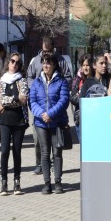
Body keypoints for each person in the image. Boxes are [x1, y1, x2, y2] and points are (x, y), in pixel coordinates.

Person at [26, 36, 72, 175]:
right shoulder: (35, 60)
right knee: (37, 140)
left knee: (55, 144)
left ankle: (54, 166)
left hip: (55, 109)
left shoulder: (61, 61)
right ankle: (39, 163)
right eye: (44, 51)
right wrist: (34, 86)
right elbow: (29, 76)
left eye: (49, 51)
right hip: (39, 109)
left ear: (53, 48)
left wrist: (58, 85)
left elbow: (68, 78)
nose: (46, 55)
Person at [29, 52, 70, 195]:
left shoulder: (61, 81)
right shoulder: (36, 82)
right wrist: (42, 114)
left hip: (56, 122)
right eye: (44, 63)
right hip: (41, 123)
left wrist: (51, 114)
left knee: (57, 153)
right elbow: (32, 101)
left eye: (48, 63)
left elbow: (64, 100)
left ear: (54, 65)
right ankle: (47, 183)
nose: (45, 65)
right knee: (45, 154)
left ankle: (58, 182)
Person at [0, 53, 29, 196]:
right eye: (12, 61)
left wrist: (6, 103)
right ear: (8, 62)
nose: (14, 64)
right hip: (4, 120)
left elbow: (23, 99)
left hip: (19, 120)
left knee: (17, 151)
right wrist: (14, 100)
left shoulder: (22, 80)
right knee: (4, 151)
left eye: (17, 62)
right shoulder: (0, 81)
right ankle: (4, 182)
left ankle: (17, 182)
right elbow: (0, 98)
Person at [69, 54, 93, 127]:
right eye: (83, 65)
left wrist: (80, 95)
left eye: (87, 65)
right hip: (80, 117)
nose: (85, 68)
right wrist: (85, 98)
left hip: (93, 116)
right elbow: (72, 97)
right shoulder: (78, 79)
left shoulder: (96, 79)